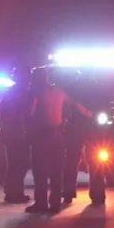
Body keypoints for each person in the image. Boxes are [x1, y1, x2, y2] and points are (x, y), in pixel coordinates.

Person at [26, 67, 92, 213]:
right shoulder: (59, 92)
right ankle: (55, 203)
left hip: (41, 136)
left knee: (40, 171)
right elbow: (75, 104)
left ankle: (41, 203)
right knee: (56, 171)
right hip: (58, 135)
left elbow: (30, 112)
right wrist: (88, 113)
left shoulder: (36, 93)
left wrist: (27, 130)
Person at [63, 71, 107, 206]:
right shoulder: (99, 88)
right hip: (93, 127)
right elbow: (104, 109)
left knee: (71, 159)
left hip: (74, 126)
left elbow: (65, 107)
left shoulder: (71, 87)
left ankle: (68, 192)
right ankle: (97, 194)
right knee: (96, 161)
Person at [0, 66, 32, 203]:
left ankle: (14, 192)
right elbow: (21, 114)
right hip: (16, 135)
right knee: (18, 164)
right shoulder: (20, 93)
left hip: (11, 134)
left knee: (16, 164)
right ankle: (13, 193)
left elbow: (0, 111)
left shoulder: (11, 92)